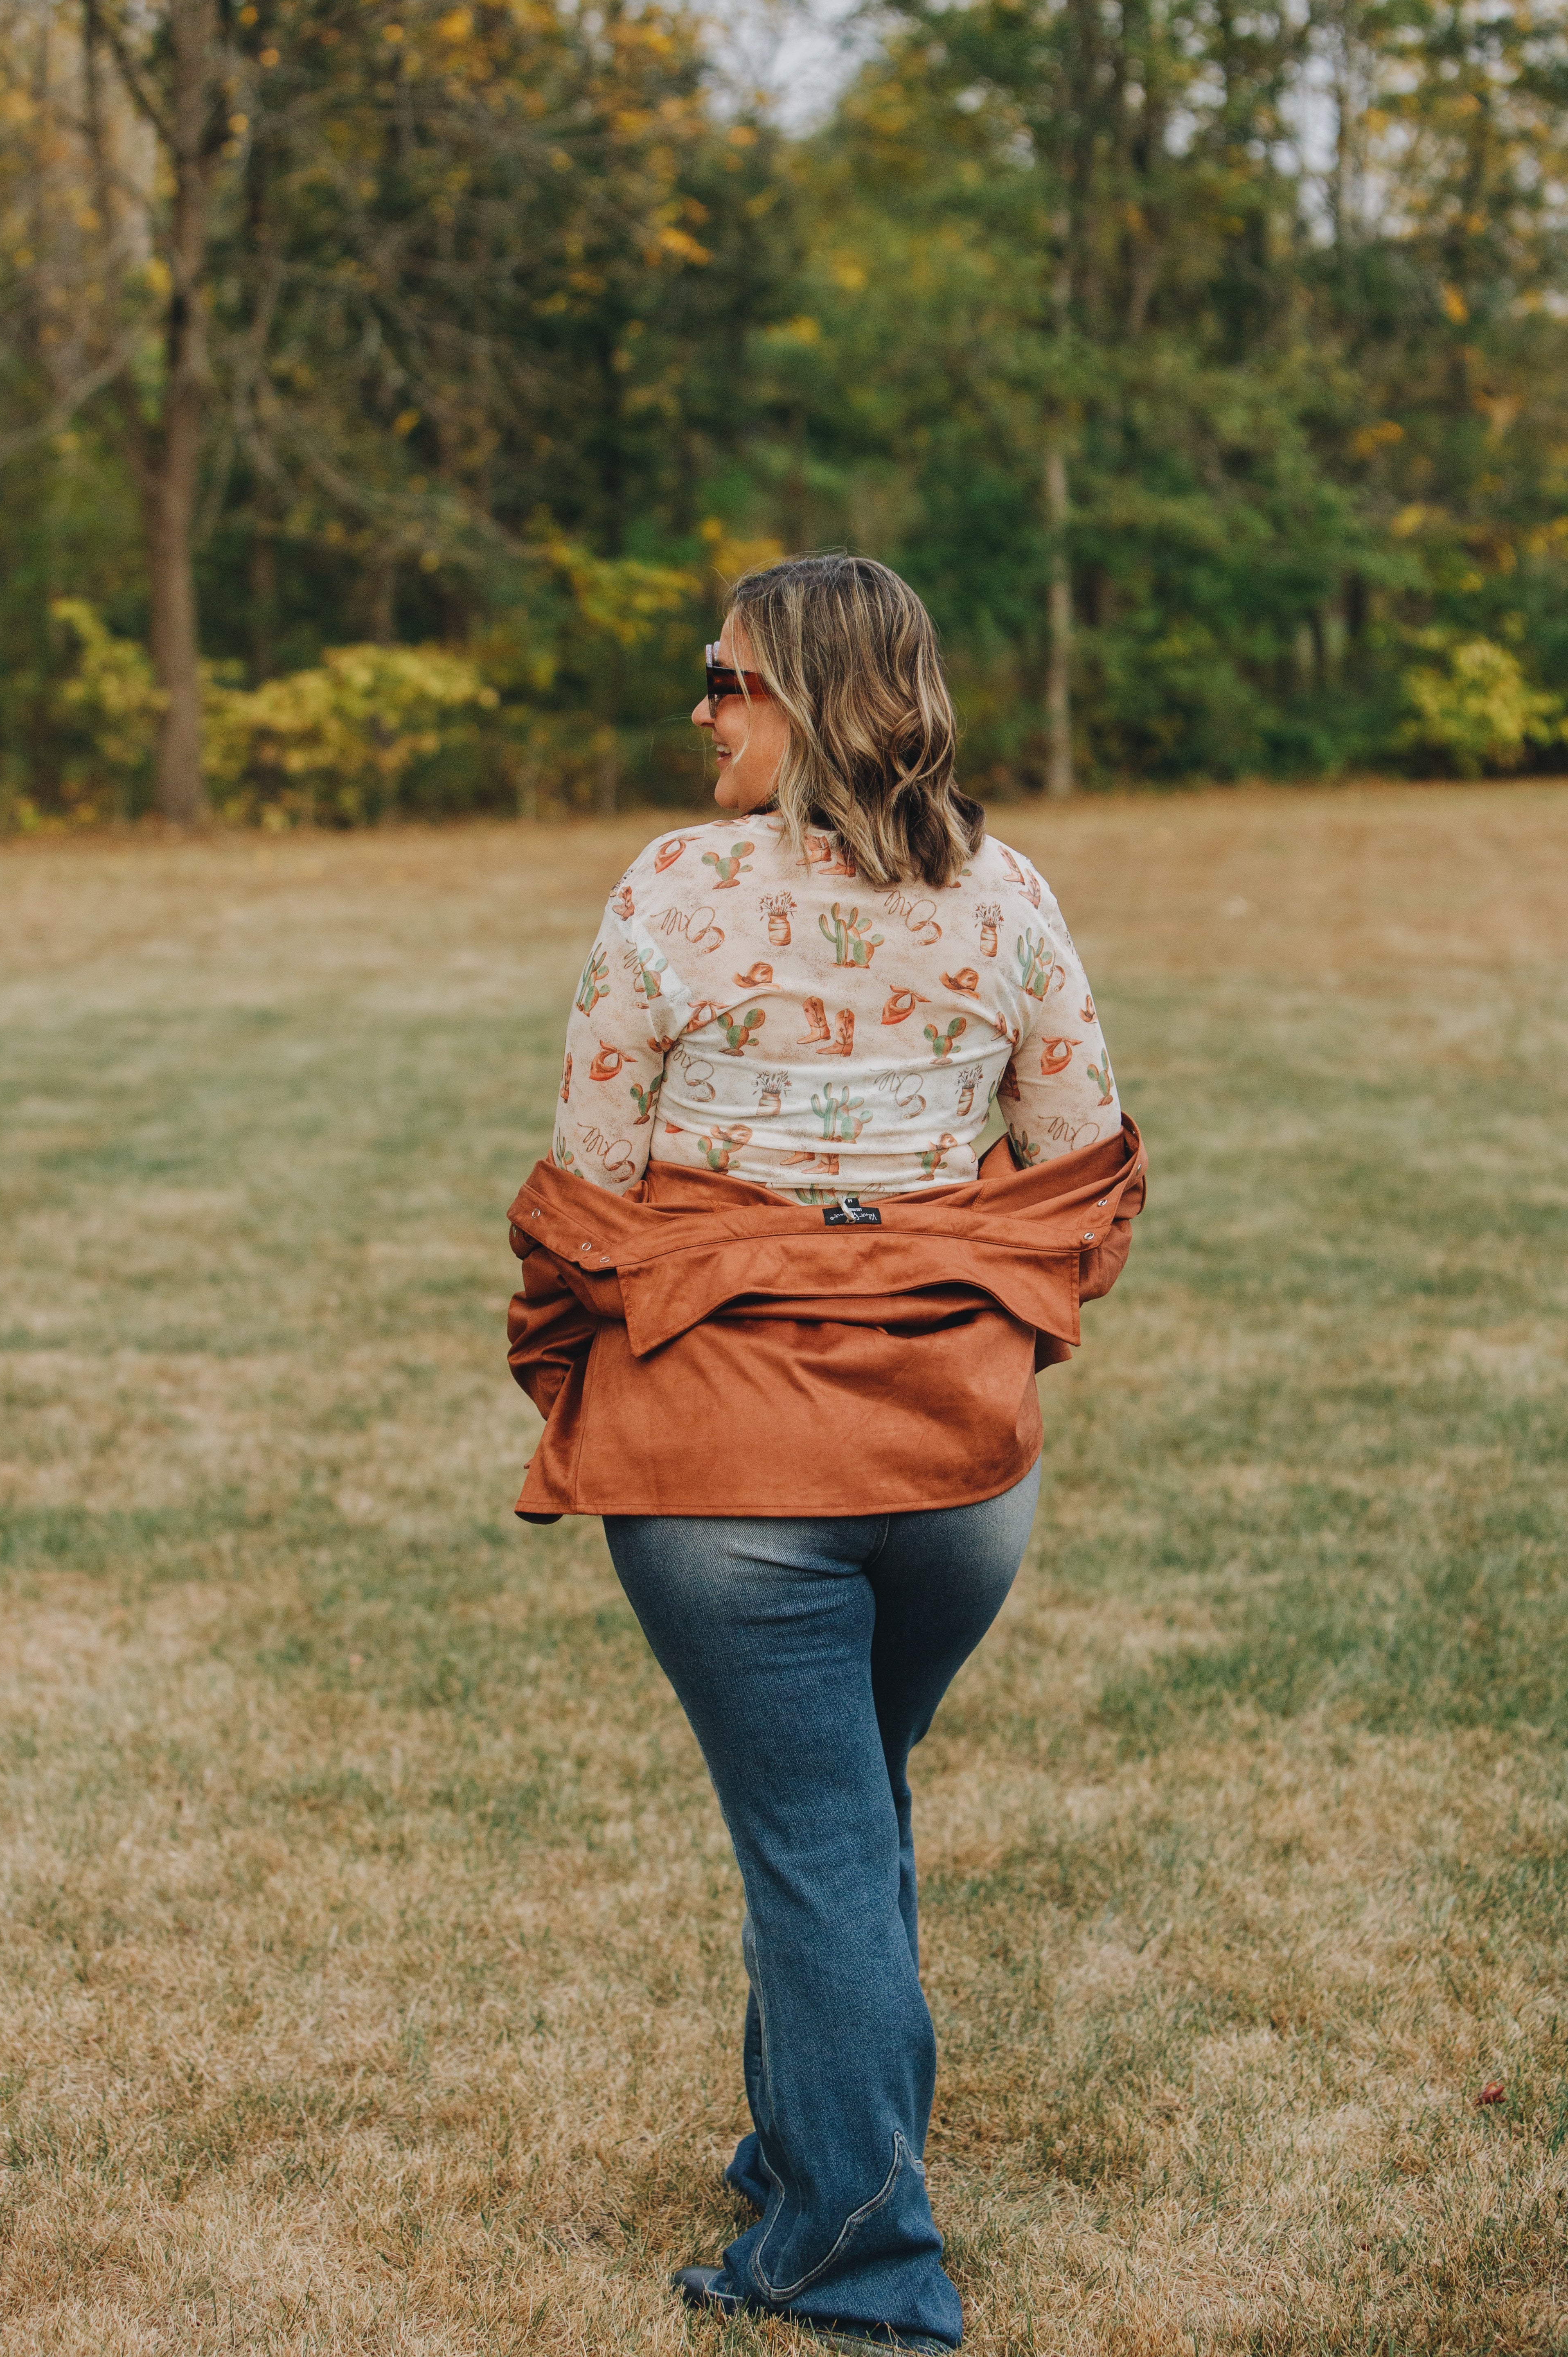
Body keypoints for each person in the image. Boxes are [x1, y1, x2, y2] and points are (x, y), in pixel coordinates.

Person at [505, 554, 1144, 2353]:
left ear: (812, 694)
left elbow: (590, 1186)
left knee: (817, 1844)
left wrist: (602, 1339)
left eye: (726, 680)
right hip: (958, 1472)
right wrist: (952, 1282)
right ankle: (807, 2150)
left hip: (727, 1467)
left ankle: (858, 2262)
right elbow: (1083, 1168)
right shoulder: (1006, 893)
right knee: (847, 1815)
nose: (699, 710)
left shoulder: (673, 889)